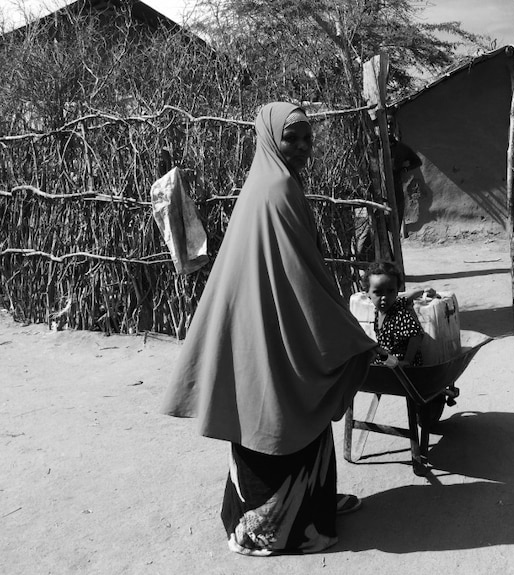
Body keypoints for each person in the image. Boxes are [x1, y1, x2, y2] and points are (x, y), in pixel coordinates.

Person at [161, 102, 379, 556]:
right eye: (291, 137)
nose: (301, 147)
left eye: (306, 139)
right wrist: (344, 331)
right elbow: (301, 278)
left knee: (264, 411)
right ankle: (273, 529)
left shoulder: (268, 182)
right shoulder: (279, 188)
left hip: (260, 322)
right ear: (269, 138)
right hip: (276, 325)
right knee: (286, 407)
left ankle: (304, 506)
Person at [363, 261, 431, 367]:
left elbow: (416, 335)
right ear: (367, 293)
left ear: (397, 291)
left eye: (390, 291)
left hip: (400, 365)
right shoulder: (381, 310)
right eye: (378, 292)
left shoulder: (399, 314)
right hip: (387, 360)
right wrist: (421, 291)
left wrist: (407, 360)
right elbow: (407, 297)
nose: (384, 297)